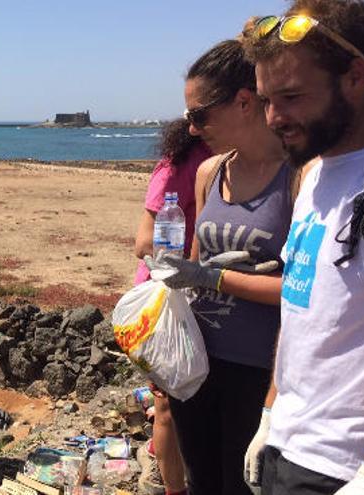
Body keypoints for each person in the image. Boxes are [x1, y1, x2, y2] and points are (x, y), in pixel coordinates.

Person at [240, 1, 364, 493]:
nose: (274, 117)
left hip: (349, 465)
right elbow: (300, 305)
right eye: (265, 99)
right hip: (286, 447)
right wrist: (268, 413)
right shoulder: (311, 172)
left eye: (292, 96)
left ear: (355, 77)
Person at [145, 39, 293, 495]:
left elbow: (303, 291)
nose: (191, 129)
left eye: (200, 115)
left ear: (244, 102)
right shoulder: (211, 171)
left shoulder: (299, 174)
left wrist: (214, 278)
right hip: (198, 363)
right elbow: (191, 265)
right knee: (202, 481)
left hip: (257, 369)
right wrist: (162, 332)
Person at [133, 119, 211, 495]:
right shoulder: (181, 163)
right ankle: (170, 487)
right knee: (167, 407)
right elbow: (144, 243)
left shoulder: (237, 159)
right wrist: (190, 270)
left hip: (203, 300)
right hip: (168, 305)